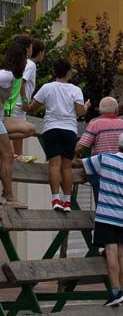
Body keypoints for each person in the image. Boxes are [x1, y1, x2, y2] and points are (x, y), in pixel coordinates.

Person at [83, 132, 123, 307]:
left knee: (110, 252)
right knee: (122, 254)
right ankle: (120, 292)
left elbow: (85, 165)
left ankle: (115, 292)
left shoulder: (105, 159)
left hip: (107, 215)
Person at [28, 59, 88, 211]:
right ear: (69, 73)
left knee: (55, 165)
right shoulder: (75, 90)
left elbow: (33, 107)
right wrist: (86, 107)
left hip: (51, 129)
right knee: (67, 167)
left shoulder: (47, 87)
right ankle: (67, 202)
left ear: (54, 72)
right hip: (69, 130)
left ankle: (55, 199)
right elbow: (80, 112)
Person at [8, 37, 43, 161]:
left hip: (12, 102)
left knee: (18, 129)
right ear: (28, 48)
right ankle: (18, 154)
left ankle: (18, 154)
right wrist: (24, 101)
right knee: (21, 128)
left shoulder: (16, 62)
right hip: (18, 103)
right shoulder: (30, 64)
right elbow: (21, 80)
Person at [0, 40, 37, 155]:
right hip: (12, 107)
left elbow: (18, 84)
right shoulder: (30, 65)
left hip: (9, 108)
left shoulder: (16, 72)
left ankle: (4, 138)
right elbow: (22, 84)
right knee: (9, 155)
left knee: (29, 129)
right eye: (31, 47)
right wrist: (25, 101)